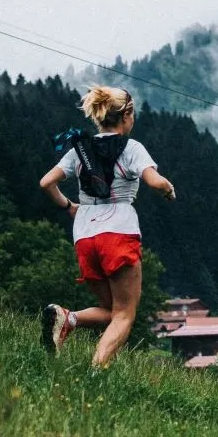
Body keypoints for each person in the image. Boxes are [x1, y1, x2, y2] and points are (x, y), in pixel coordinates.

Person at [37, 86, 176, 367]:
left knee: (113, 310)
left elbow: (46, 183)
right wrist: (168, 188)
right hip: (118, 232)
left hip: (85, 234)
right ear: (126, 116)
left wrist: (69, 206)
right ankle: (97, 370)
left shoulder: (80, 150)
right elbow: (154, 180)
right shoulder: (132, 148)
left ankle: (68, 318)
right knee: (126, 314)